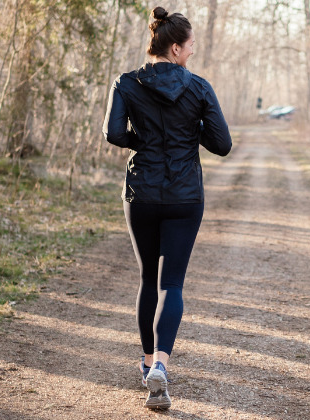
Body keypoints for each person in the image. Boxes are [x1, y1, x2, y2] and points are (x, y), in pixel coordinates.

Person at [103, 6, 232, 411]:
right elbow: (222, 144)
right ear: (176, 47)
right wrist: (189, 132)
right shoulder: (199, 88)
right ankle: (162, 362)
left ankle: (146, 366)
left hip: (141, 193)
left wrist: (143, 143)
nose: (193, 52)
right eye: (191, 45)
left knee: (147, 279)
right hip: (183, 196)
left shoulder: (126, 82)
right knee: (171, 284)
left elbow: (112, 133)